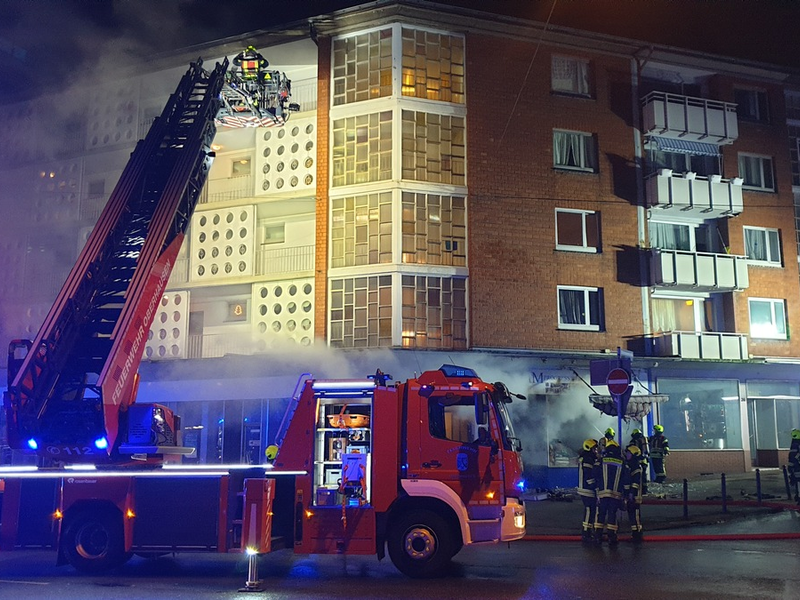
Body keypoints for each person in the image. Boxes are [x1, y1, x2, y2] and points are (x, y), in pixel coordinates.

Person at [594, 439, 625, 546]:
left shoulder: (601, 460)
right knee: (612, 514)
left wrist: (597, 490)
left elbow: (595, 475)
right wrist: (624, 492)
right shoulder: (621, 461)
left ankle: (598, 536)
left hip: (602, 493)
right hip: (615, 494)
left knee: (601, 514)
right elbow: (625, 478)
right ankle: (612, 537)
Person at [577, 438, 600, 544]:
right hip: (587, 490)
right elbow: (589, 476)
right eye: (594, 449)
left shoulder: (587, 458)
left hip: (587, 489)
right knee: (589, 510)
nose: (596, 451)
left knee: (592, 510)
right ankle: (586, 533)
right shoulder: (587, 459)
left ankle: (589, 531)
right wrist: (595, 487)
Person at [624, 444, 644, 543]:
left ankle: (638, 535)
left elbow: (635, 482)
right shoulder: (630, 465)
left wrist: (632, 493)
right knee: (631, 515)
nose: (627, 455)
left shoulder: (636, 467)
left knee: (635, 516)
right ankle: (634, 533)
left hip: (635, 496)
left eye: (629, 453)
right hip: (630, 495)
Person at [628, 428, 650, 493]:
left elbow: (631, 450)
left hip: (637, 461)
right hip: (644, 461)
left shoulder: (633, 441)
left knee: (637, 476)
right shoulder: (643, 440)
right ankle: (644, 489)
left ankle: (638, 490)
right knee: (643, 475)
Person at [789, 428, 800, 503]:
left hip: (797, 466)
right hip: (797, 465)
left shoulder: (795, 444)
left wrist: (790, 466)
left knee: (798, 481)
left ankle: (799, 497)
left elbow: (792, 456)